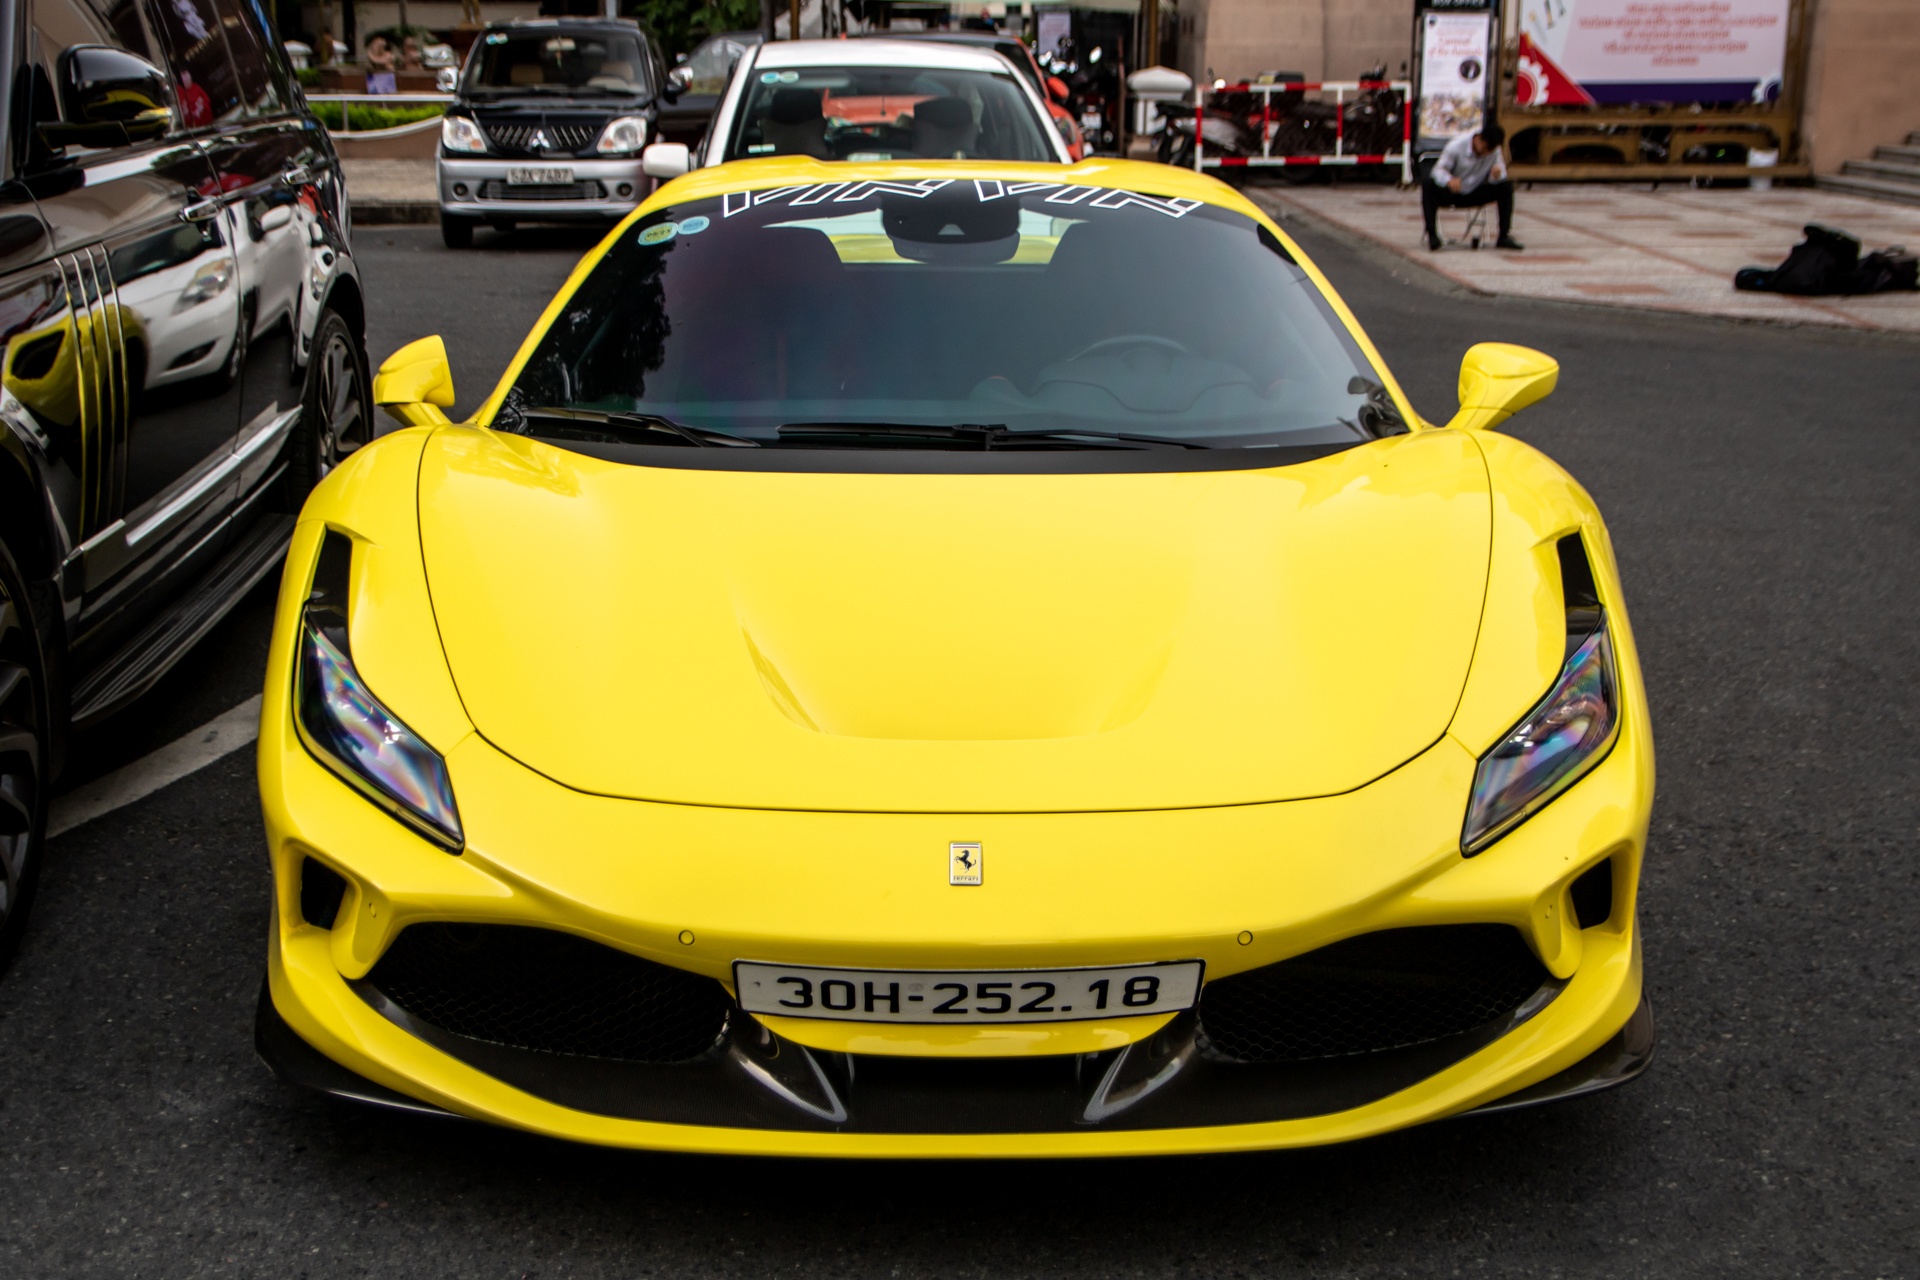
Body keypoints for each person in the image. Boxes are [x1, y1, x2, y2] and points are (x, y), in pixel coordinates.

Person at [1423, 122, 1522, 252]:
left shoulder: (1494, 151)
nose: (1486, 153)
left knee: (1506, 187)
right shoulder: (1456, 147)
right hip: (1454, 191)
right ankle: (1432, 235)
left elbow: (1500, 173)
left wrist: (1496, 175)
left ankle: (1503, 236)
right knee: (1428, 185)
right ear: (1478, 139)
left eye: (1490, 151)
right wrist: (1449, 180)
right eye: (1485, 148)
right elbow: (1438, 171)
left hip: (1476, 191)